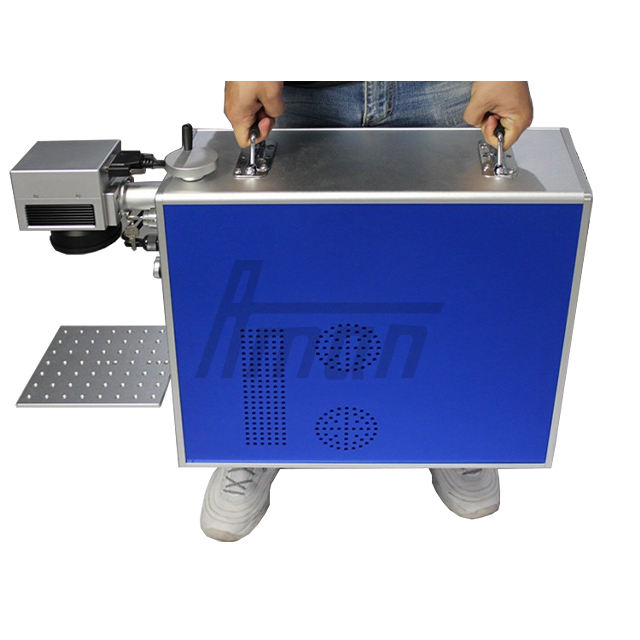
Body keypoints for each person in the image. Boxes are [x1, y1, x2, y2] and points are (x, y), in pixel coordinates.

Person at [201, 81, 534, 542]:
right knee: (273, 263)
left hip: (438, 81)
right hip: (303, 82)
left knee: (449, 262)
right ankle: (249, 440)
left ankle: (457, 434)